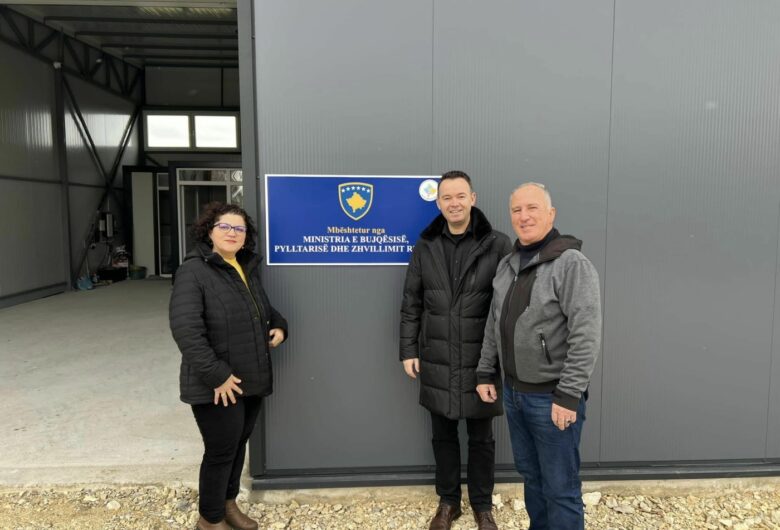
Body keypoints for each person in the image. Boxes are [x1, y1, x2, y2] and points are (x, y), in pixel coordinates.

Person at [476, 183, 601, 530]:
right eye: (517, 210)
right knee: (532, 478)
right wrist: (486, 371)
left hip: (552, 399)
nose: (524, 216)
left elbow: (586, 335)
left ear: (551, 214)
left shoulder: (571, 264)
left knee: (560, 488)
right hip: (515, 395)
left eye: (532, 208)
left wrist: (569, 395)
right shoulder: (508, 265)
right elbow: (494, 322)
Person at [400, 171, 512, 530]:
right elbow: (411, 302)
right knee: (443, 435)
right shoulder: (426, 245)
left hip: (482, 360)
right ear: (438, 203)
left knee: (482, 438)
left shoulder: (498, 244)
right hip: (437, 357)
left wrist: (501, 357)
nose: (454, 203)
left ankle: (482, 505)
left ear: (473, 198)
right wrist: (408, 349)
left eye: (460, 196)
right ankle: (448, 502)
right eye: (447, 197)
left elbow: (507, 305)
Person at [169, 202, 288, 530]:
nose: (232, 233)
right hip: (217, 384)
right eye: (225, 226)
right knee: (220, 452)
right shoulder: (194, 271)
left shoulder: (243, 266)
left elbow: (261, 308)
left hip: (249, 378)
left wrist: (279, 325)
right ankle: (210, 519)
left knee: (237, 447)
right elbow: (186, 330)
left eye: (239, 229)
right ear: (209, 231)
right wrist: (217, 375)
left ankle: (228, 504)